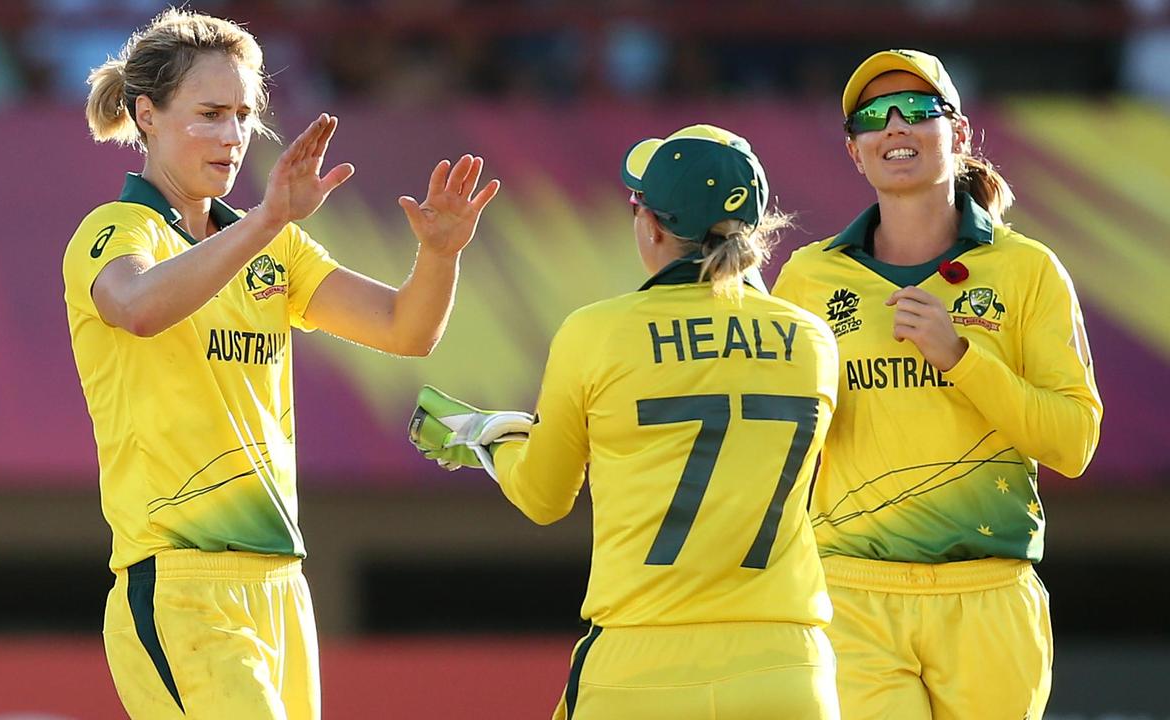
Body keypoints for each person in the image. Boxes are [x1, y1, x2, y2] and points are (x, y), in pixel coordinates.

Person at [62, 8, 499, 718]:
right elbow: (138, 307)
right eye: (209, 113)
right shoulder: (116, 230)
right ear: (147, 115)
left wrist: (440, 254)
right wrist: (267, 219)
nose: (232, 136)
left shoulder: (272, 250)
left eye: (243, 114)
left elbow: (404, 328)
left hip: (281, 583)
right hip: (180, 582)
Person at [410, 125, 841, 719]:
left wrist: (493, 438)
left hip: (643, 664)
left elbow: (543, 496)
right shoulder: (814, 339)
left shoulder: (596, 332)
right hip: (790, 669)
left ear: (653, 226)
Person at [772, 49, 1103, 719]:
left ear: (957, 134)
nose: (896, 126)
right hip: (853, 590)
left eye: (919, 110)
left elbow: (1073, 443)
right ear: (855, 153)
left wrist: (960, 357)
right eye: (873, 117)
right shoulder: (809, 279)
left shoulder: (1028, 269)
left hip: (990, 590)